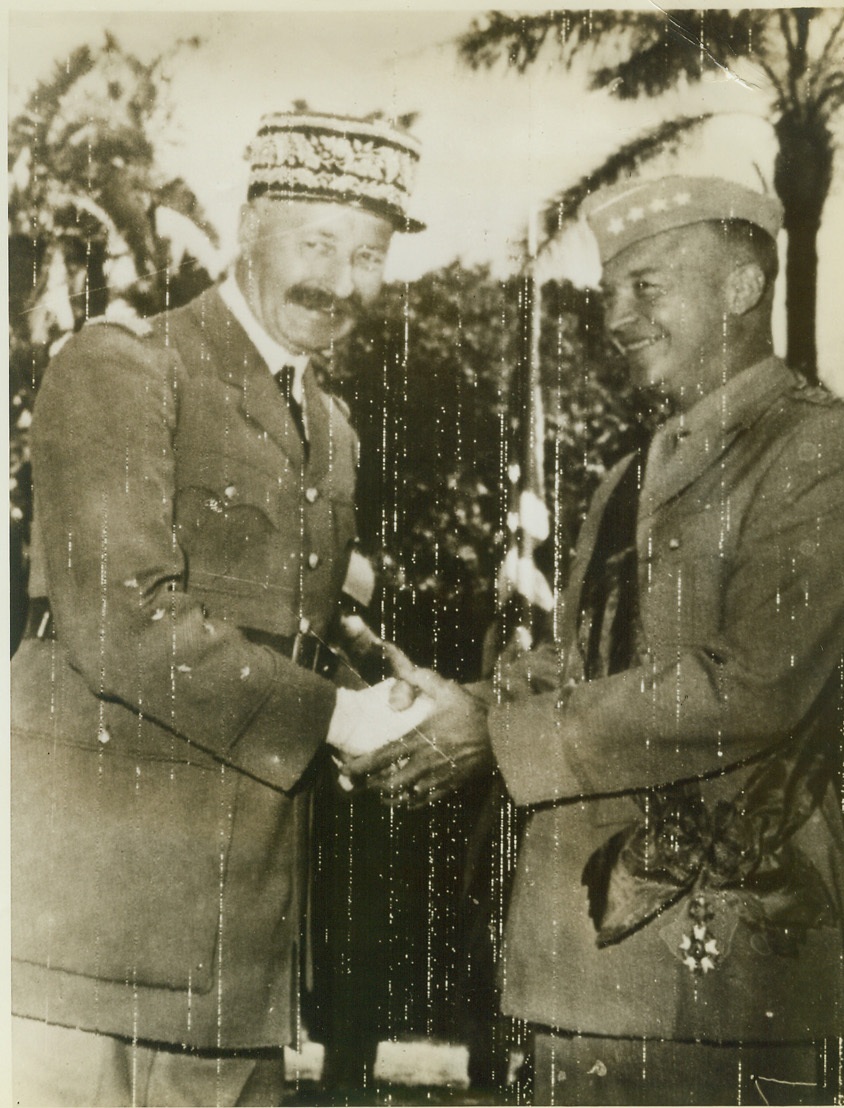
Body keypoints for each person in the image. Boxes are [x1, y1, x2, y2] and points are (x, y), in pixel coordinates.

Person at [348, 175, 844, 1104]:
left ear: (741, 288)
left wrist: (495, 737)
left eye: (646, 286)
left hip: (724, 977)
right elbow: (591, 665)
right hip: (578, 970)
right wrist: (470, 703)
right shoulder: (630, 474)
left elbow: (750, 686)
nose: (616, 316)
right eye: (610, 290)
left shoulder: (817, 452)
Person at [10, 110, 426, 1107]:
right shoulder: (123, 363)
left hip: (242, 914)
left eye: (367, 254)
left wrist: (375, 672)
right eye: (318, 242)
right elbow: (119, 619)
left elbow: (278, 615)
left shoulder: (332, 428)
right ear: (248, 229)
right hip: (94, 914)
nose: (343, 281)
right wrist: (335, 714)